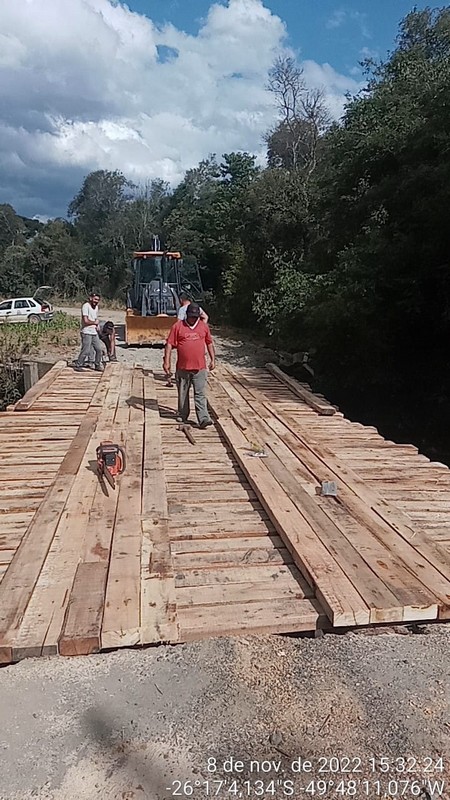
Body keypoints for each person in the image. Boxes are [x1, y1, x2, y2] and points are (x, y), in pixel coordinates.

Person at [163, 302, 215, 429]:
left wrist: (213, 359)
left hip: (200, 368)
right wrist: (166, 362)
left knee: (200, 393)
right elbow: (169, 344)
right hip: (183, 368)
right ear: (186, 315)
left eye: (195, 317)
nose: (193, 319)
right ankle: (182, 414)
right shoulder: (178, 326)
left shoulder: (203, 327)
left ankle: (203, 418)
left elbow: (209, 343)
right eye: (191, 317)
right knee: (183, 393)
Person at [73, 291, 103, 372]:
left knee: (99, 349)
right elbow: (85, 321)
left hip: (94, 332)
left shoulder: (96, 307)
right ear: (90, 298)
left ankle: (97, 365)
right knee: (85, 350)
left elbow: (95, 318)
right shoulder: (86, 306)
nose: (96, 301)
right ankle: (79, 365)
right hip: (86, 332)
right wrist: (94, 323)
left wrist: (97, 325)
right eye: (95, 299)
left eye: (98, 300)